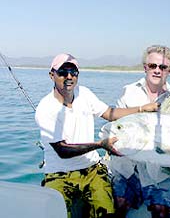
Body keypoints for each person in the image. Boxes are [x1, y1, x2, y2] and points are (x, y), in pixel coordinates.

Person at [35, 53, 159, 218]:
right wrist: (100, 145)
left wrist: (142, 109)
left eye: (74, 72)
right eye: (63, 72)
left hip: (92, 170)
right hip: (59, 174)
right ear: (52, 75)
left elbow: (109, 113)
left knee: (108, 212)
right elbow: (62, 150)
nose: (69, 76)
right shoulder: (46, 108)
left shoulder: (84, 94)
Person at [108, 45, 170, 218]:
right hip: (127, 168)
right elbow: (117, 125)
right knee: (119, 205)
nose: (157, 71)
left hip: (160, 170)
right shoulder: (129, 92)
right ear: (145, 67)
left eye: (163, 67)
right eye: (153, 66)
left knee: (161, 210)